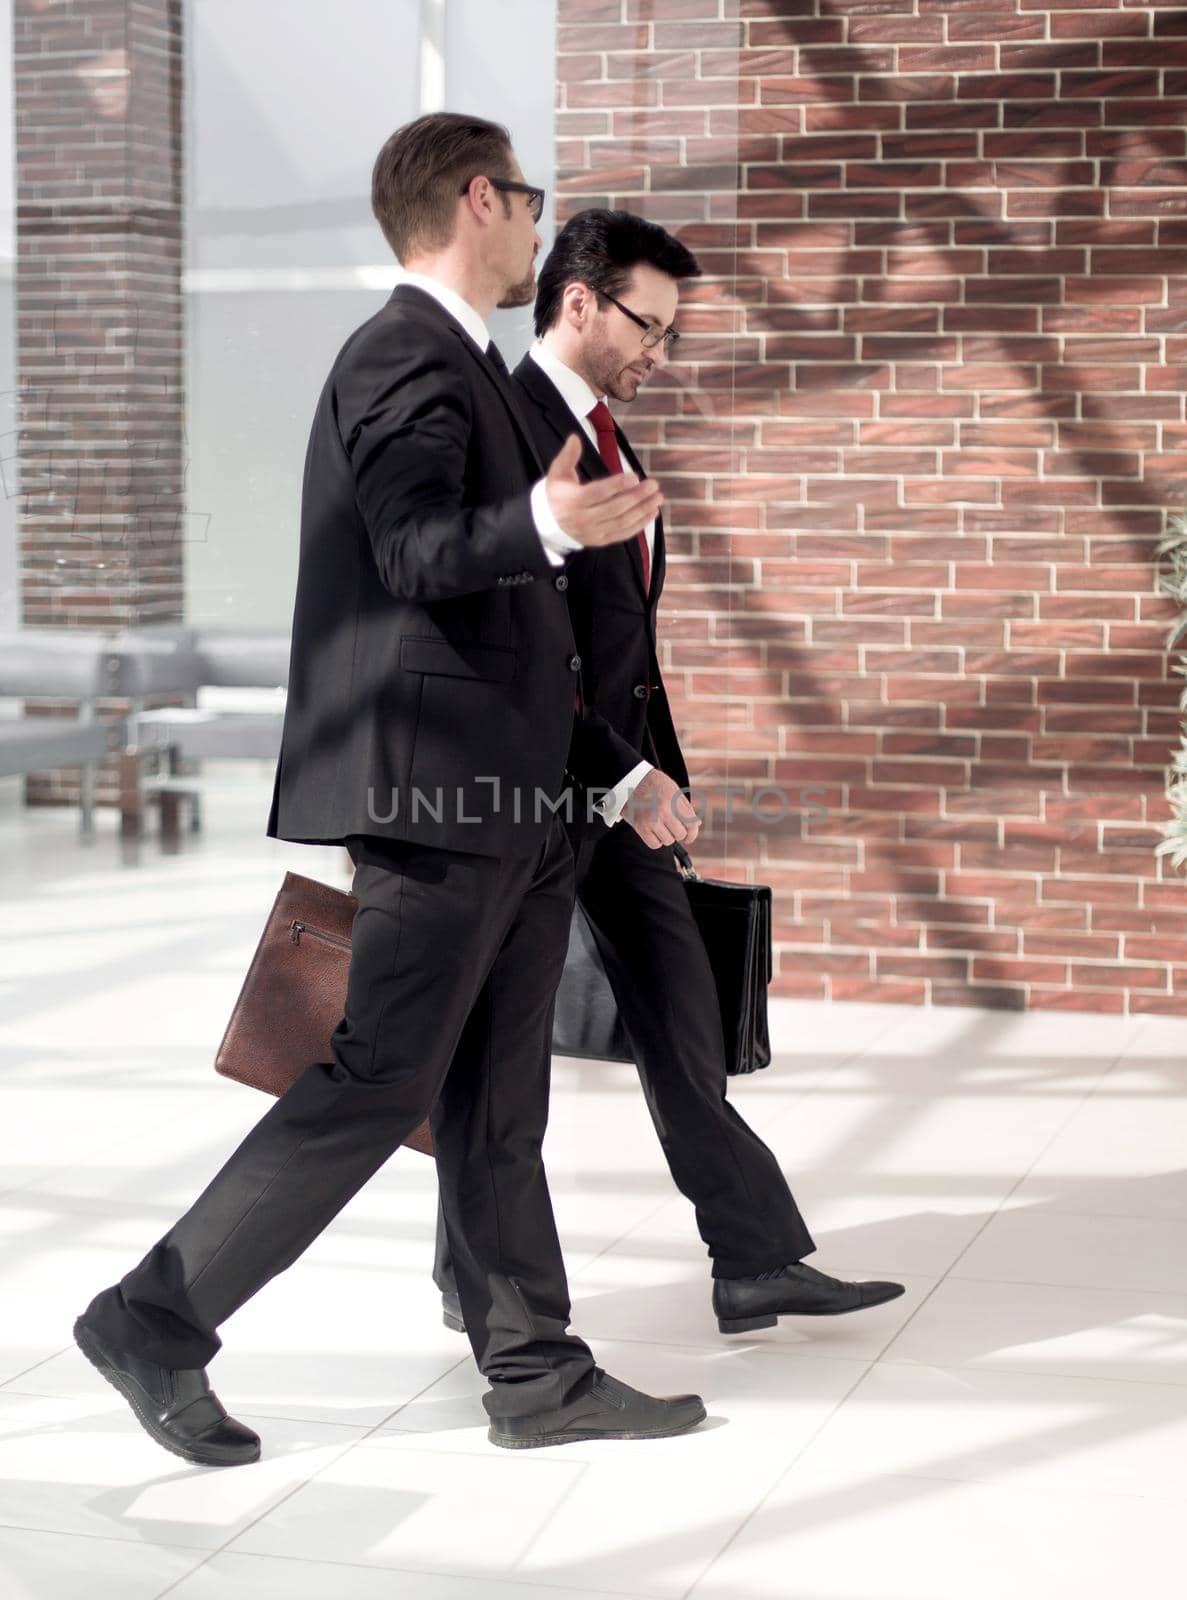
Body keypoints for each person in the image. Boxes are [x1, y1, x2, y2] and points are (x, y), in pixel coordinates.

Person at [73, 120, 707, 1467]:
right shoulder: (399, 355)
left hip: (515, 804)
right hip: (439, 802)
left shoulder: (464, 367)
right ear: (479, 199)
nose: (536, 231)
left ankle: (533, 1370)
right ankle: (153, 1315)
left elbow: (500, 622)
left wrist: (606, 771)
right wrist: (542, 524)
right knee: (376, 1083)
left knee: (496, 1100)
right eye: (527, 204)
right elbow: (414, 549)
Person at [434, 209, 904, 1339]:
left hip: (618, 781)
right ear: (578, 301)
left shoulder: (604, 429)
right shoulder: (506, 425)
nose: (661, 353)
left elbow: (617, 636)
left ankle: (751, 1259)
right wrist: (617, 771)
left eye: (672, 334)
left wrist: (648, 771)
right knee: (499, 1060)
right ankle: (473, 1283)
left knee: (682, 1012)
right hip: (537, 786)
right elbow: (519, 640)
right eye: (649, 326)